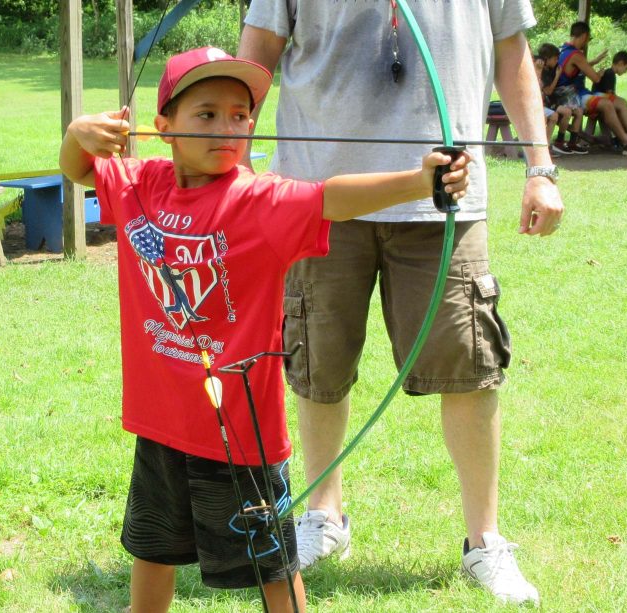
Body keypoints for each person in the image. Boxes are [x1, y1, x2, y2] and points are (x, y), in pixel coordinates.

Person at [58, 46, 471, 613]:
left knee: (270, 564)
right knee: (153, 545)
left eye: (239, 115)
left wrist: (419, 181)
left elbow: (332, 199)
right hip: (160, 418)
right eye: (205, 115)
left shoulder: (257, 198)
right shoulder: (141, 184)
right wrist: (78, 133)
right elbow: (79, 167)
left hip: (238, 434)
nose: (228, 128)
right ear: (164, 128)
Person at [239, 0, 562, 606]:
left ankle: (484, 542)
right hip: (318, 195)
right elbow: (255, 58)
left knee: (470, 365)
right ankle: (323, 519)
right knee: (318, 363)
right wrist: (231, 164)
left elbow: (511, 52)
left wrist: (541, 168)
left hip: (446, 201)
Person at [555, 21, 627, 155]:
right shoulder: (576, 55)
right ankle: (626, 142)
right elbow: (595, 78)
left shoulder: (563, 49)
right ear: (584, 36)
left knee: (620, 101)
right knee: (606, 104)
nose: (586, 42)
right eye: (588, 39)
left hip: (578, 93)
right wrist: (598, 73)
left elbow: (579, 67)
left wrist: (593, 62)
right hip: (572, 97)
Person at [537, 44, 588, 155]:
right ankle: (559, 142)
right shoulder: (543, 71)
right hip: (548, 102)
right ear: (547, 59)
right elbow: (548, 92)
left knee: (579, 111)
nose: (557, 61)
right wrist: (557, 76)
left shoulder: (552, 67)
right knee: (567, 112)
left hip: (556, 99)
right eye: (555, 59)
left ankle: (572, 143)